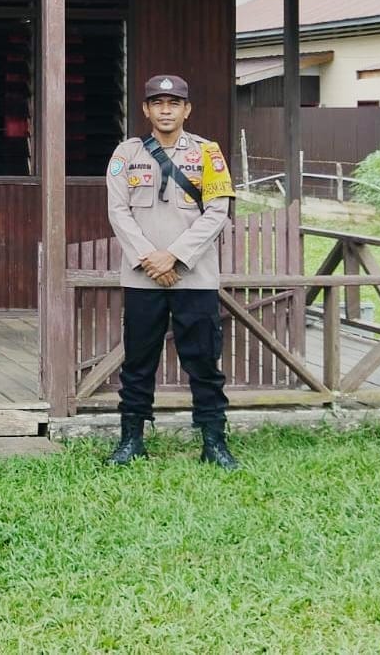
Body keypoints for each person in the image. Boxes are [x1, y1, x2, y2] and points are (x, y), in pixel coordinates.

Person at [103, 74, 239, 469]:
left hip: (194, 277)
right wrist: (150, 257)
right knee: (138, 360)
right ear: (145, 109)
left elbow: (217, 212)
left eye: (174, 103)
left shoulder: (208, 154)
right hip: (142, 277)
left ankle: (214, 441)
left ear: (187, 109)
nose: (166, 110)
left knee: (203, 360)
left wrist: (175, 257)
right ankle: (131, 440)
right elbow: (118, 211)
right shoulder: (125, 155)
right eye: (158, 103)